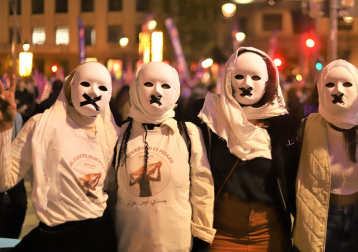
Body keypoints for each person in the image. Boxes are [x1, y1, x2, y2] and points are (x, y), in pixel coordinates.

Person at [187, 47, 301, 251]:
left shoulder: (285, 126)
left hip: (270, 232)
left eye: (255, 77)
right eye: (238, 76)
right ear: (228, 78)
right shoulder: (208, 115)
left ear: (268, 82)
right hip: (221, 231)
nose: (246, 84)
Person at [0, 62, 119, 252]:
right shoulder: (40, 126)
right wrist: (5, 127)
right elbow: (4, 180)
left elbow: (114, 195)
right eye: (86, 84)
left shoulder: (112, 134)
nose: (94, 92)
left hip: (96, 237)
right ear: (70, 87)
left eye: (102, 87)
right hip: (51, 238)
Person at [108, 62, 215, 252]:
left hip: (177, 245)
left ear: (175, 90)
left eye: (165, 85)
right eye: (148, 84)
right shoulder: (119, 134)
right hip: (128, 244)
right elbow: (110, 191)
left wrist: (202, 234)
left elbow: (203, 188)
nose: (156, 91)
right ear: (135, 87)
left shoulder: (188, 134)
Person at [292, 60, 358, 252]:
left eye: (347, 84)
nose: (337, 90)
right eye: (330, 84)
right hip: (320, 220)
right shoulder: (307, 128)